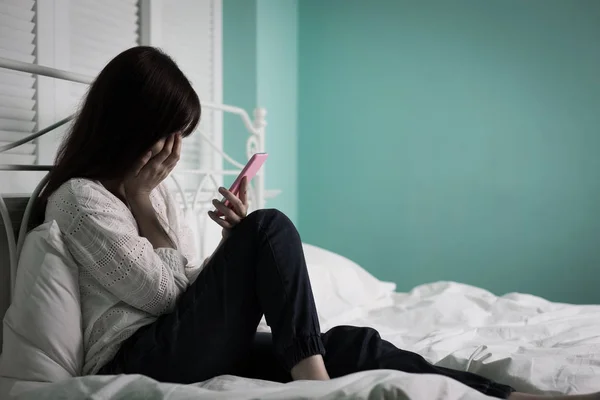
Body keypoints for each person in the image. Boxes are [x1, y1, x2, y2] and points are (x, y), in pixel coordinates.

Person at [36, 46, 598, 400]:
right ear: (130, 125)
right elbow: (162, 297)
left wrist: (231, 249)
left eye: (183, 134)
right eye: (168, 132)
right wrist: (141, 198)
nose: (175, 150)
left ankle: (503, 395)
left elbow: (182, 284)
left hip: (183, 341)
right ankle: (314, 389)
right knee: (270, 226)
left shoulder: (156, 196)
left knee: (350, 344)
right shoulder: (79, 199)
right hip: (140, 356)